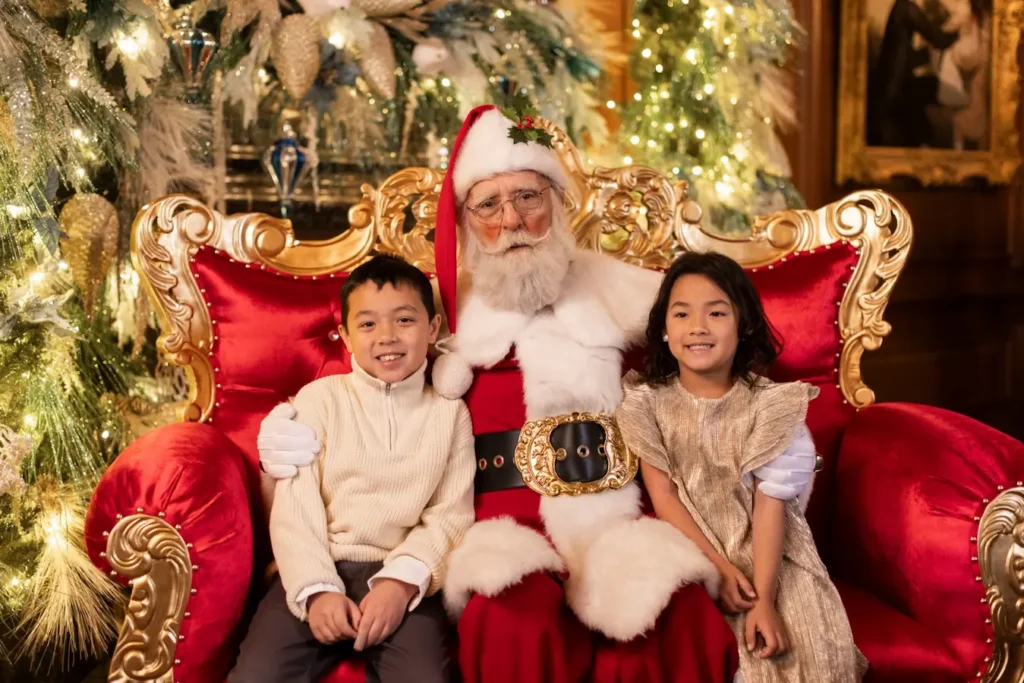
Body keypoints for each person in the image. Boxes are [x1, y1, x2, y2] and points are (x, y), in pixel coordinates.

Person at [258, 104, 818, 683]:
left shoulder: (627, 293)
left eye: (528, 197)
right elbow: (372, 380)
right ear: (467, 220)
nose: (512, 220)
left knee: (675, 616)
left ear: (556, 201)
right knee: (509, 622)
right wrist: (286, 436)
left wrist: (773, 431)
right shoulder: (435, 313)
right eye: (488, 205)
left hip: (619, 516)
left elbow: (713, 343)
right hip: (501, 526)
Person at [616, 252, 867, 683]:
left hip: (771, 559)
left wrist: (764, 597)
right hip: (691, 553)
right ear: (664, 328)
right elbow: (664, 496)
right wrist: (716, 568)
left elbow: (770, 506)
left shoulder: (771, 407)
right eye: (682, 314)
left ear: (743, 324)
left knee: (800, 654)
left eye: (716, 313)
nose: (698, 326)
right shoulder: (645, 404)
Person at [231, 255, 475, 683]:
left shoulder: (449, 414)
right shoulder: (319, 400)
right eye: (367, 324)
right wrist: (317, 590)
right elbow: (295, 510)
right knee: (256, 676)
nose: (387, 336)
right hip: (317, 566)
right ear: (345, 335)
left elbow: (450, 515)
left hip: (404, 577)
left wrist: (400, 585)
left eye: (405, 320)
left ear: (433, 327)